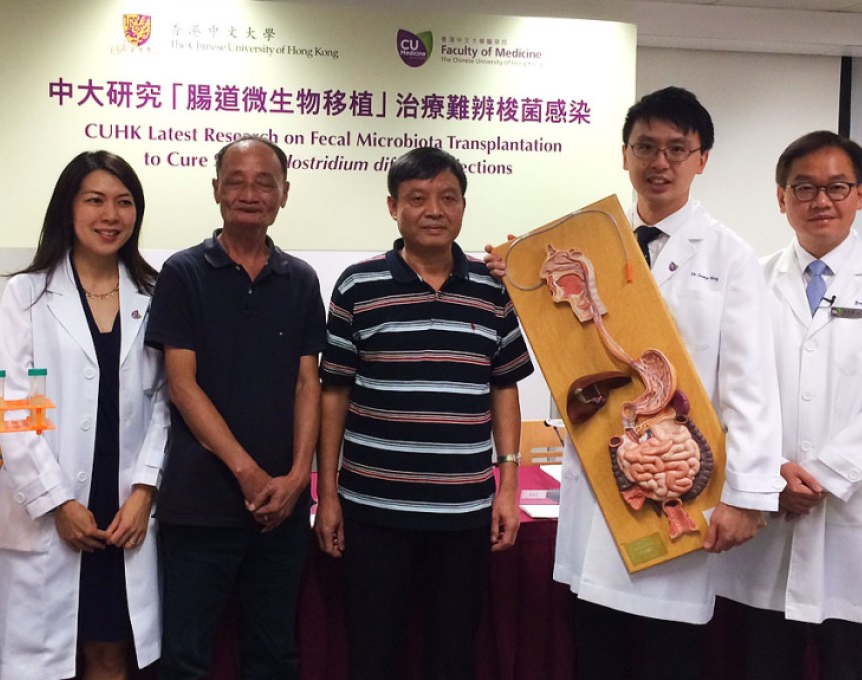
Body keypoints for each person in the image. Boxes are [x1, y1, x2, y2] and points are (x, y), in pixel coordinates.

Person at [485, 86, 785, 680]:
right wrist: (518, 275)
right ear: (624, 155)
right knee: (596, 648)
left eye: (678, 148)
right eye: (646, 146)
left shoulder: (730, 257)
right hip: (599, 480)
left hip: (676, 484)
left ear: (702, 159)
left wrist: (747, 496)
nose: (660, 162)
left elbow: (751, 386)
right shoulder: (586, 244)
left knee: (667, 656)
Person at [315, 146, 533, 680]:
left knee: (452, 654)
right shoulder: (357, 285)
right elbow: (334, 392)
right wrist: (329, 495)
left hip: (463, 513)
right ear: (393, 207)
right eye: (417, 198)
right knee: (374, 651)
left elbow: (504, 387)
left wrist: (508, 485)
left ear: (463, 207)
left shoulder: (493, 289)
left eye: (448, 198)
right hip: (373, 509)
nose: (434, 210)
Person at [0, 151, 168, 680]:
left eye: (124, 202)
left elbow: (166, 405)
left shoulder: (155, 294)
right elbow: (9, 406)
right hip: (49, 504)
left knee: (110, 651)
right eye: (96, 200)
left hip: (122, 506)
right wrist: (58, 500)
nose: (111, 215)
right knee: (38, 665)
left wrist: (144, 491)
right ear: (69, 208)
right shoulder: (27, 293)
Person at [145, 135, 325, 680]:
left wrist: (297, 479)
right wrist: (248, 473)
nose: (250, 193)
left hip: (282, 511)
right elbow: (182, 385)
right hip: (200, 505)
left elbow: (307, 383)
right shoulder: (182, 273)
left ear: (284, 194)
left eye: (264, 182)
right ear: (216, 190)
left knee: (275, 656)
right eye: (237, 181)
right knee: (186, 658)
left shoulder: (300, 280)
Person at [714, 130, 862, 679]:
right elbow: (726, 390)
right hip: (767, 516)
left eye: (837, 186)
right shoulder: (750, 279)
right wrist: (770, 473)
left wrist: (823, 474)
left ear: (859, 194)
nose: (821, 201)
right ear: (781, 199)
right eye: (804, 187)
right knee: (762, 662)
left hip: (850, 516)